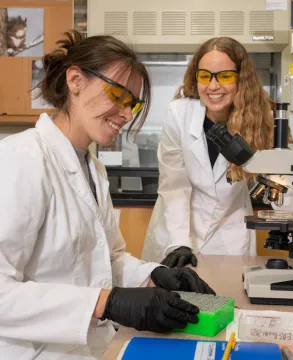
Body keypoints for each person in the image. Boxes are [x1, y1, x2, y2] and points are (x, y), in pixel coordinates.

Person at [0, 30, 215, 360]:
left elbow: (106, 258)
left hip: (93, 347)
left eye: (133, 103)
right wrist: (106, 302)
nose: (127, 113)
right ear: (75, 80)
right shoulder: (21, 158)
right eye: (119, 94)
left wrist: (153, 275)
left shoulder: (94, 169)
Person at [141, 37, 293, 268]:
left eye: (225, 76)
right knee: (173, 300)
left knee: (225, 301)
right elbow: (174, 186)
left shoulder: (261, 121)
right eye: (205, 76)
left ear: (242, 79)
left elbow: (281, 184)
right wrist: (179, 243)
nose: (213, 86)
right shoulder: (179, 114)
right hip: (176, 230)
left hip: (228, 233)